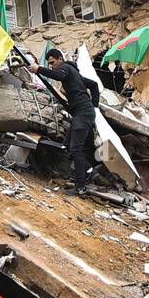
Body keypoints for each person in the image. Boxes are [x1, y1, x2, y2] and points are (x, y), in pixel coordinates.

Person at [29, 49, 100, 196]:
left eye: (53, 63)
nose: (52, 67)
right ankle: (89, 171)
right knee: (67, 146)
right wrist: (94, 105)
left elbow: (58, 75)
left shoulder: (65, 68)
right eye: (49, 64)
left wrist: (39, 69)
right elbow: (93, 85)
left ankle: (80, 188)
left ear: (60, 59)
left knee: (76, 149)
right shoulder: (75, 73)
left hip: (83, 113)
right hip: (82, 113)